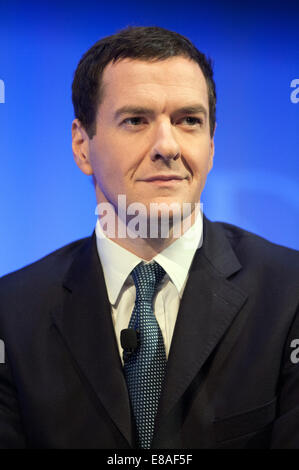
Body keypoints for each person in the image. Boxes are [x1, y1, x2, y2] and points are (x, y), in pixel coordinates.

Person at [0, 26, 298, 450]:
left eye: (188, 121)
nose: (168, 146)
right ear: (82, 146)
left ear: (211, 146)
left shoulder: (290, 295)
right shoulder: (11, 314)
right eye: (136, 120)